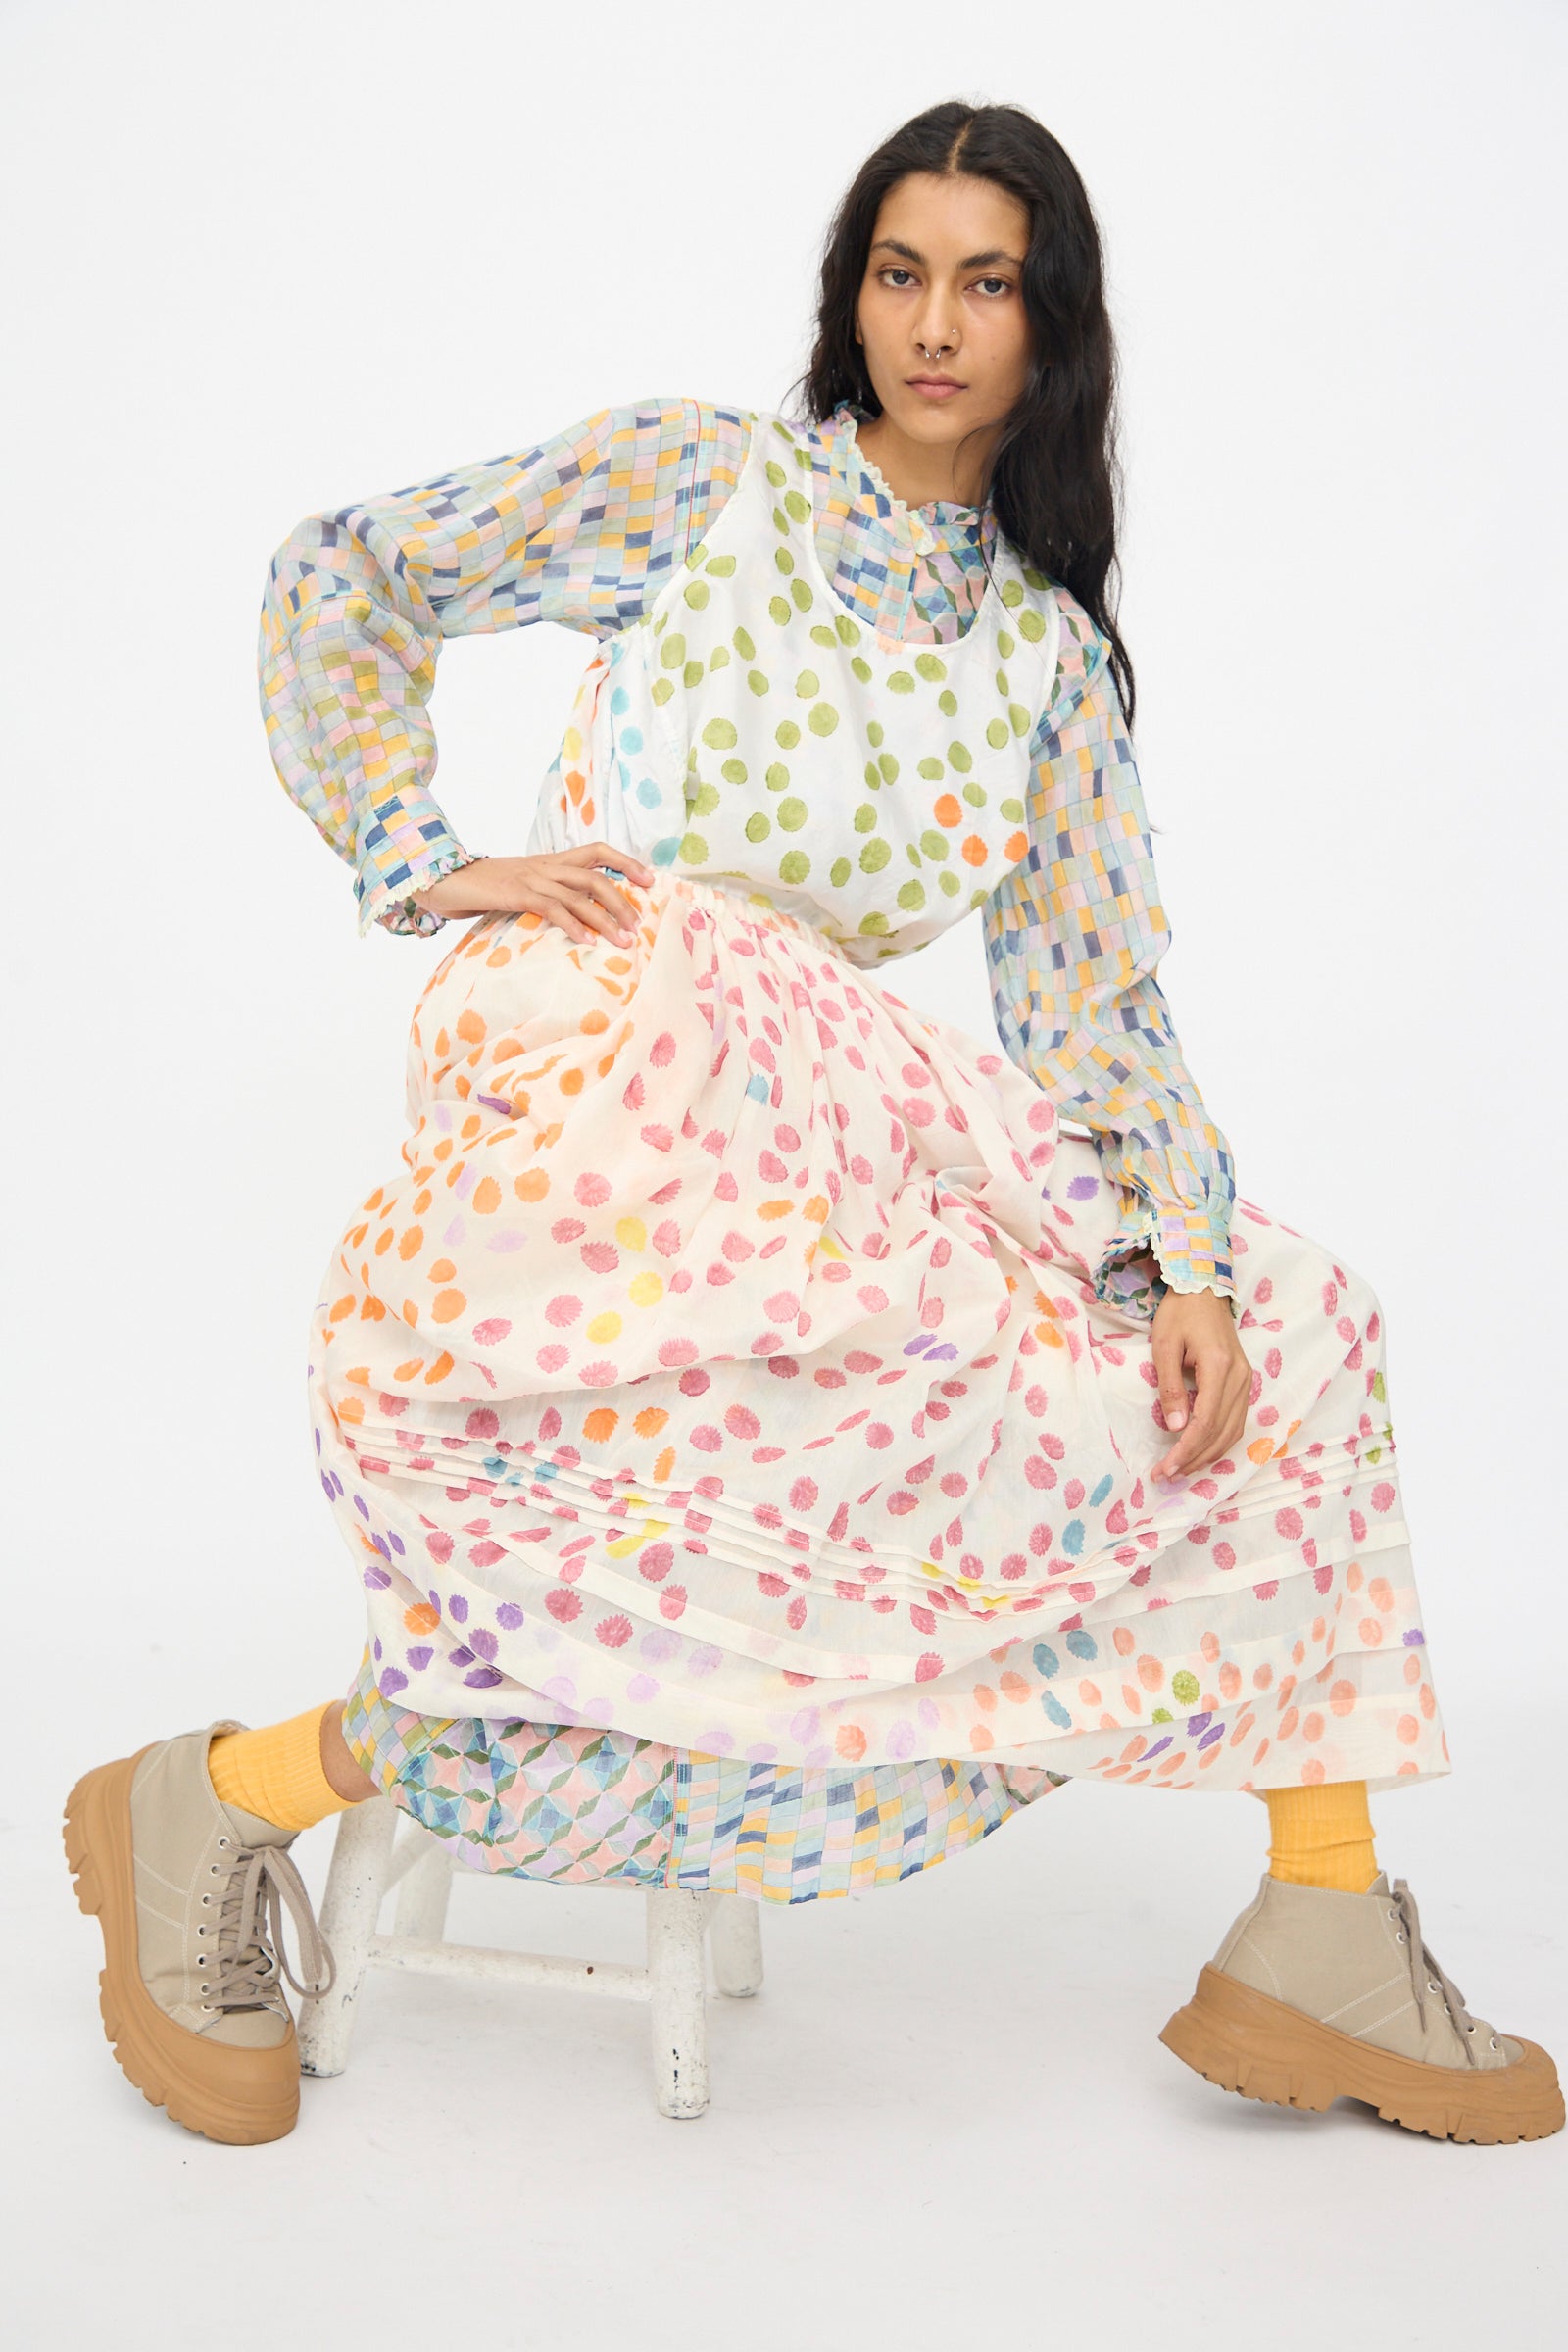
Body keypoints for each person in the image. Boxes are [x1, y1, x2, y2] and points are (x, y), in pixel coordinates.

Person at [64, 99, 1560, 2150]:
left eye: (984, 280)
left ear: (1053, 329)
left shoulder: (1042, 662)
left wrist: (1187, 1266)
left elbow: (1093, 1007)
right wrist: (424, 858)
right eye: (894, 268)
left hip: (813, 1111)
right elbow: (357, 571)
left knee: (1286, 1328)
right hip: (605, 1065)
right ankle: (215, 1804)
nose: (931, 322)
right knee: (787, 1447)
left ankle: (1315, 1918)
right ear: (848, 293)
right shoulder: (703, 487)